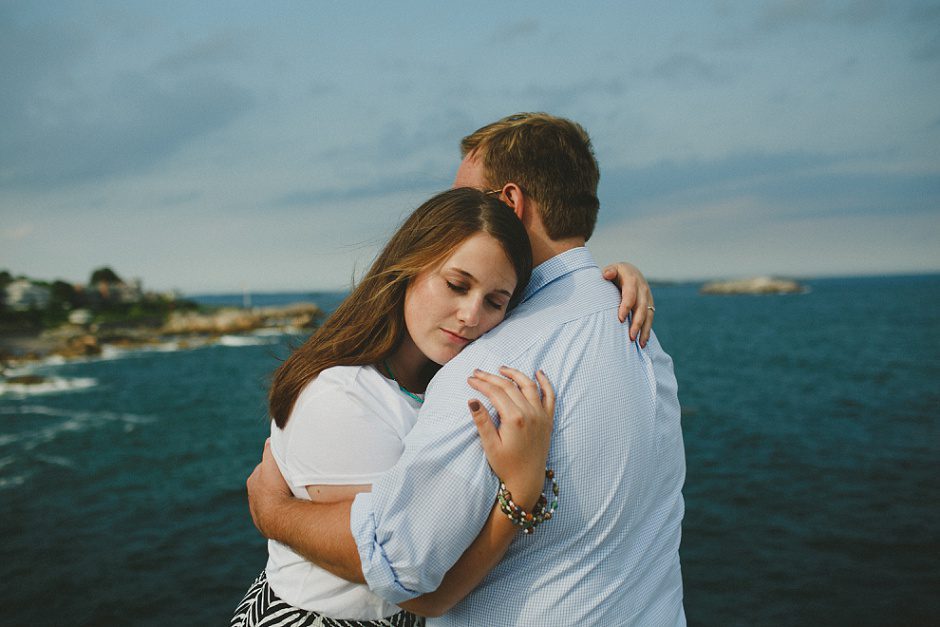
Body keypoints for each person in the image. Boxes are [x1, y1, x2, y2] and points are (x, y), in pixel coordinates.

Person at [247, 113, 685, 626]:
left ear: (507, 204)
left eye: (465, 198)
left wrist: (271, 511)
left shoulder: (486, 369)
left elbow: (403, 566)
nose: (449, 212)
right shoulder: (641, 337)